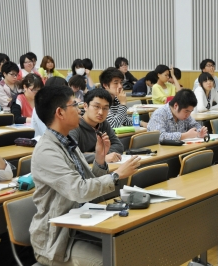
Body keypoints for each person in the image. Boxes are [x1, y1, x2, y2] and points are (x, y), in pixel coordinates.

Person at [29, 85, 141, 265]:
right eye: (74, 105)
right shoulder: (47, 151)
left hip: (82, 223)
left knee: (131, 247)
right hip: (59, 239)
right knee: (112, 261)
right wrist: (115, 176)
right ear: (60, 112)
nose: (79, 109)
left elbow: (89, 184)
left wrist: (99, 160)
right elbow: (79, 191)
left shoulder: (67, 142)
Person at [70, 89, 123, 164]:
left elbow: (118, 146)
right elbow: (71, 155)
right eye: (96, 106)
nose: (101, 112)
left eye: (105, 108)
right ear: (85, 106)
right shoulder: (74, 126)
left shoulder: (103, 123)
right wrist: (101, 156)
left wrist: (97, 154)